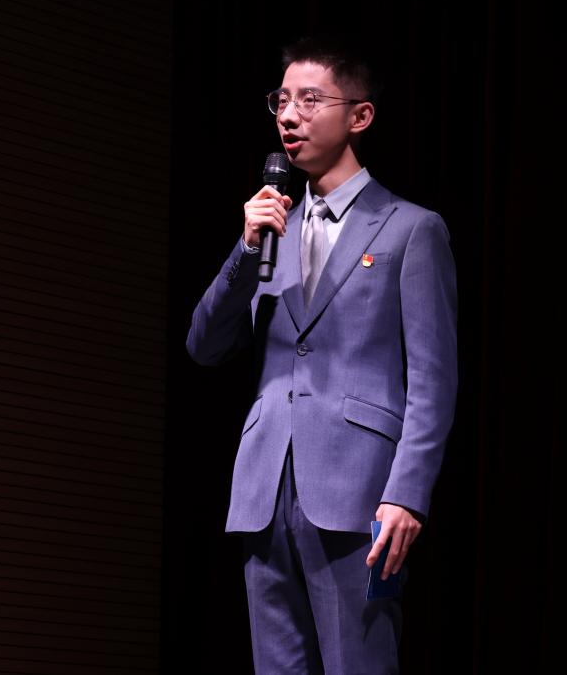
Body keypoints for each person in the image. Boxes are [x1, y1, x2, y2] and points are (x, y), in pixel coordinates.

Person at [186, 36, 458, 673]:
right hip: (263, 491)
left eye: (310, 100)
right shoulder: (270, 228)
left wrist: (408, 494)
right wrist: (245, 250)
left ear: (359, 116)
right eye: (281, 101)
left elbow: (433, 379)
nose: (289, 116)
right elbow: (204, 345)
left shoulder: (410, 228)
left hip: (357, 493)